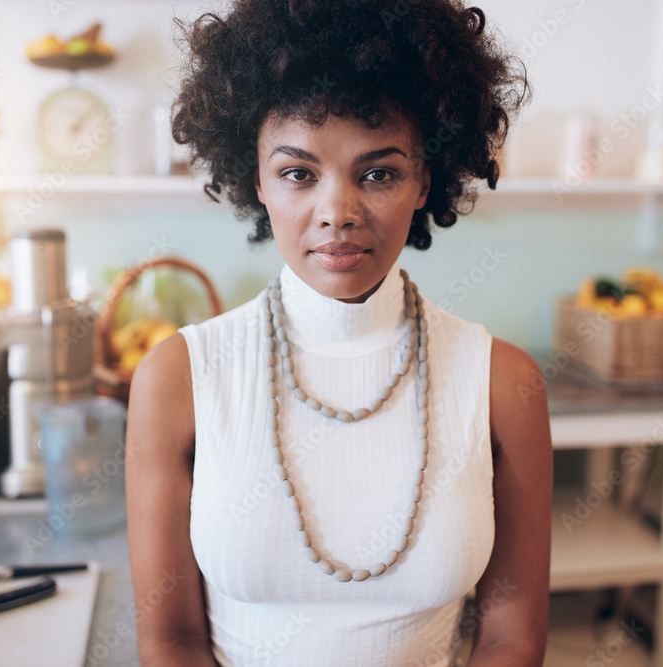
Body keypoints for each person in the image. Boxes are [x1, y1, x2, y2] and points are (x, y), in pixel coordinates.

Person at [125, 1, 551, 665]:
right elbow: (170, 638)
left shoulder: (504, 383)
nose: (338, 213)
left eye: (379, 173)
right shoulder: (179, 377)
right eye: (298, 172)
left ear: (424, 181)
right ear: (256, 179)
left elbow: (511, 635)